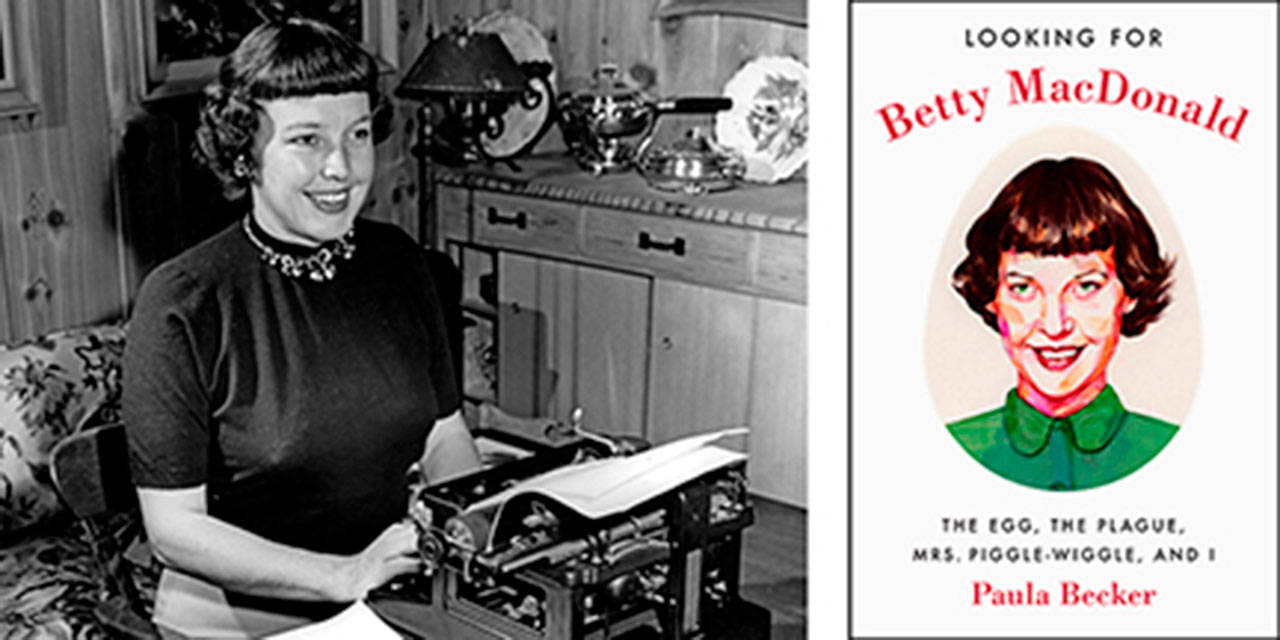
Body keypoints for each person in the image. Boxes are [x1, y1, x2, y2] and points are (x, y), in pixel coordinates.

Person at [123, 17, 482, 637]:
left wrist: (473, 534)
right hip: (237, 611)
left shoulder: (398, 262)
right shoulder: (183, 301)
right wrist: (343, 574)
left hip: (385, 591)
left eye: (359, 134)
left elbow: (445, 437)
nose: (341, 168)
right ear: (244, 151)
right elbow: (174, 530)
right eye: (308, 141)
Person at [947, 157, 1177, 491]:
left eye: (1086, 287)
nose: (1055, 326)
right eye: (1023, 288)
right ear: (992, 296)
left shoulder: (1168, 448)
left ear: (1129, 291)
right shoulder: (956, 448)